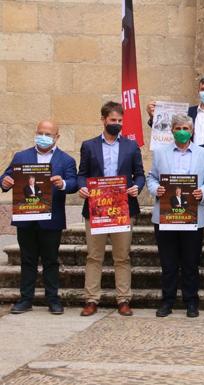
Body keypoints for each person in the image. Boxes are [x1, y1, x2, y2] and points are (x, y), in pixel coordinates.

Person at [147, 75, 204, 272]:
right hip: (181, 175)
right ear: (198, 90)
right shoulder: (188, 112)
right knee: (181, 213)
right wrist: (153, 117)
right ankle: (183, 255)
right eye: (203, 88)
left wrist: (197, 149)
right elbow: (170, 129)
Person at [1, 120, 78, 315]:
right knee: (27, 260)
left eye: (48, 134)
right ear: (35, 133)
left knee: (51, 260)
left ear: (57, 137)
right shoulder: (21, 156)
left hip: (51, 219)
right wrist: (5, 182)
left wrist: (62, 184)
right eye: (40, 133)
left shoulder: (66, 160)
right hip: (26, 217)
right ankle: (26, 299)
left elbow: (74, 183)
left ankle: (53, 300)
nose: (43, 137)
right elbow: (5, 178)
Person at [77, 101, 145, 317]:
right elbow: (82, 173)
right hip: (96, 208)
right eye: (113, 120)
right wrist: (82, 187)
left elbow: (140, 173)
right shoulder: (89, 146)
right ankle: (91, 299)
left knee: (122, 256)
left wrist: (138, 187)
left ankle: (123, 299)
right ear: (103, 120)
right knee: (94, 256)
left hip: (123, 208)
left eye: (119, 121)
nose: (116, 124)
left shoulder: (131, 146)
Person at [147, 114, 204, 318]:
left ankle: (191, 301)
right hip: (166, 216)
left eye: (186, 128)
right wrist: (156, 189)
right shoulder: (160, 153)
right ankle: (167, 301)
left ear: (192, 130)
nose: (182, 131)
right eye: (178, 128)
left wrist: (202, 192)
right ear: (172, 130)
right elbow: (151, 178)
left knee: (190, 262)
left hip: (192, 216)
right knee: (168, 262)